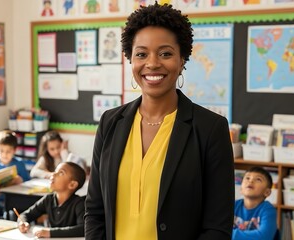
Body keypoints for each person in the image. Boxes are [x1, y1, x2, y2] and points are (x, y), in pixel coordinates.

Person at [85, 2, 234, 240]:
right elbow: (94, 211)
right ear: (130, 59)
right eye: (141, 54)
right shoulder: (110, 122)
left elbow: (218, 226)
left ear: (182, 59)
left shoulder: (210, 129)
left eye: (165, 53)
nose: (152, 63)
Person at [18, 162, 86, 238]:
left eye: (61, 173)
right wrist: (22, 222)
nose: (53, 174)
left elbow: (83, 228)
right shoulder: (48, 199)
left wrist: (50, 233)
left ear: (72, 184)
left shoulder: (79, 203)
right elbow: (25, 215)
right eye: (55, 171)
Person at [233, 167, 277, 240]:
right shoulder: (233, 205)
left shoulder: (268, 210)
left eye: (258, 179)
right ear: (241, 188)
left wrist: (230, 234)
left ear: (267, 192)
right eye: (247, 178)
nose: (251, 181)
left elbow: (264, 236)